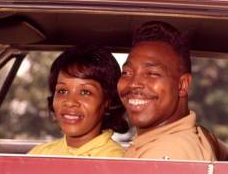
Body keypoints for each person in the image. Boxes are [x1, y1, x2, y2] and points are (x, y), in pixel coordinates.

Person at [119, 21, 216, 161]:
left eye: (151, 73)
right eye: (127, 72)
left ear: (183, 85)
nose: (133, 83)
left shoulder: (166, 153)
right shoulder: (202, 135)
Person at [29, 45, 127, 157]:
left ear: (107, 101)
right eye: (62, 91)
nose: (70, 102)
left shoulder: (115, 159)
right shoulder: (40, 154)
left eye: (85, 92)